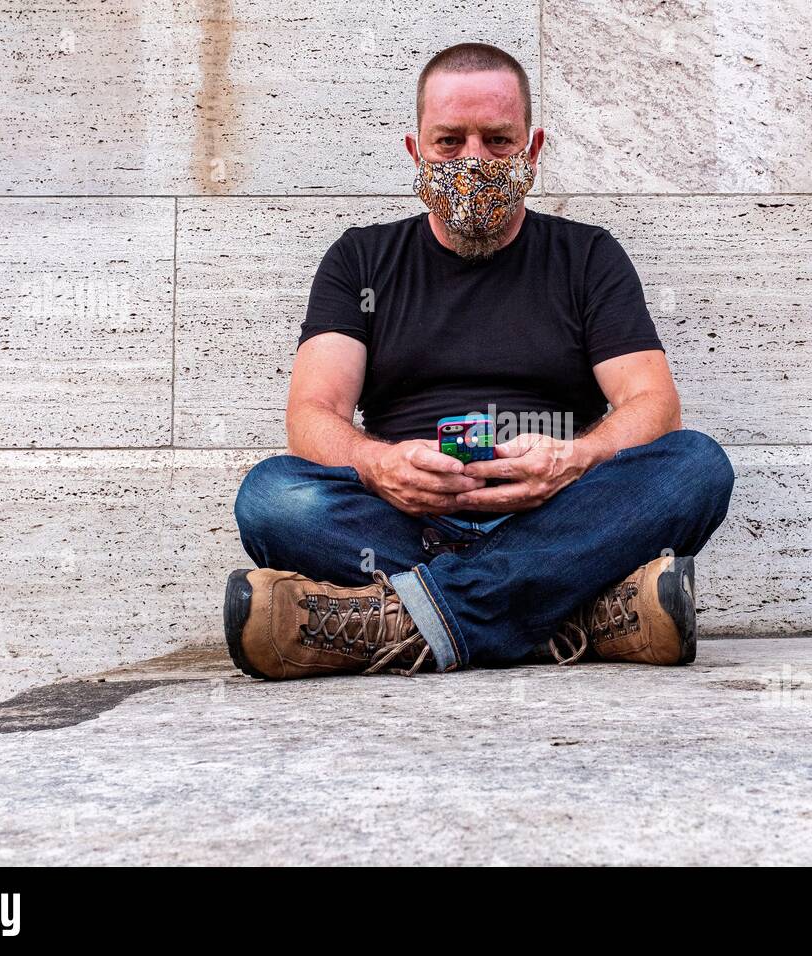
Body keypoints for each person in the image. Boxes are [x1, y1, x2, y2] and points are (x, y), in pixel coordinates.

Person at [226, 42, 735, 679]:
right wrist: (380, 464)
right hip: (408, 523)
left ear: (533, 148)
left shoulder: (587, 257)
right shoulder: (360, 260)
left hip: (561, 512)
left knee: (695, 467)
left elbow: (653, 404)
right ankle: (577, 616)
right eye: (449, 141)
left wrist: (574, 459)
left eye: (497, 140)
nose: (474, 160)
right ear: (416, 149)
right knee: (273, 497)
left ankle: (397, 620)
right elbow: (312, 413)